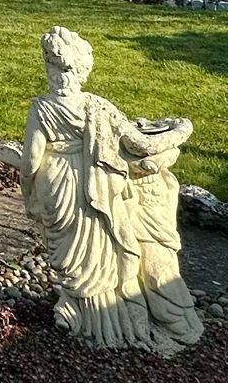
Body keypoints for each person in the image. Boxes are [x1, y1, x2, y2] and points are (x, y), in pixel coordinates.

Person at [19, 26, 204, 356]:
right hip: (95, 188)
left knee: (76, 260)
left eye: (56, 67)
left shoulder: (41, 108)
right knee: (105, 256)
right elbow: (143, 143)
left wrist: (28, 193)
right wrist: (182, 128)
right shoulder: (98, 107)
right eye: (53, 66)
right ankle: (110, 325)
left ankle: (87, 323)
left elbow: (32, 161)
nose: (55, 75)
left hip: (58, 184)